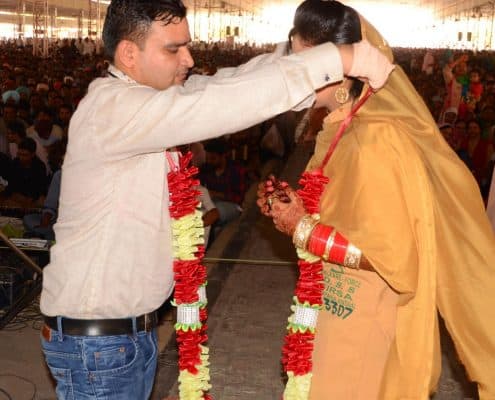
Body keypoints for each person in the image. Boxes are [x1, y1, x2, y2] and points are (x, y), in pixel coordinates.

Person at [38, 0, 394, 398]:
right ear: (128, 53)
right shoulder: (114, 108)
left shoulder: (148, 100)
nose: (189, 59)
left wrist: (295, 52)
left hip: (121, 338)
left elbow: (226, 83)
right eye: (173, 49)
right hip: (98, 348)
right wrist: (339, 57)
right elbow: (217, 105)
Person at [257, 1, 495, 399]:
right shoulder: (338, 130)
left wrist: (304, 229)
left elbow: (396, 260)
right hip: (331, 308)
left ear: (343, 67)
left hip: (361, 322)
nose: (293, 77)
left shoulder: (376, 140)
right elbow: (343, 215)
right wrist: (292, 209)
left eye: (304, 65)